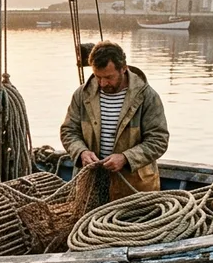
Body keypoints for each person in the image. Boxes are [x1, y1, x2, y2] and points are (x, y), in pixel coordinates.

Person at [60, 40, 169, 201]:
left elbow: (159, 140)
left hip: (134, 189)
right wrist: (81, 152)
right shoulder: (82, 94)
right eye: (98, 77)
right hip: (90, 186)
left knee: (129, 226)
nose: (103, 83)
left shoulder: (147, 97)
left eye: (109, 77)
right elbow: (68, 131)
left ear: (123, 68)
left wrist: (126, 158)